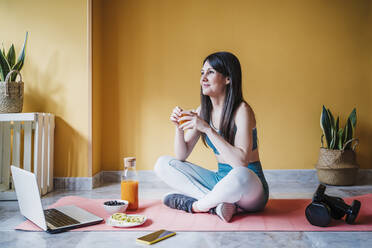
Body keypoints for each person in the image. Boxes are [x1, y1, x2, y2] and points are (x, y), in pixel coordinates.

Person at [154, 51, 269, 222]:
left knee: (240, 174)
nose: (203, 79)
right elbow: (181, 155)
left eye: (210, 72)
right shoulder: (203, 110)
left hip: (250, 188)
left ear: (228, 78)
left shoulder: (242, 110)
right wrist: (178, 128)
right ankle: (220, 205)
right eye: (202, 73)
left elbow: (241, 163)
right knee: (163, 164)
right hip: (220, 181)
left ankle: (196, 206)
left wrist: (207, 129)